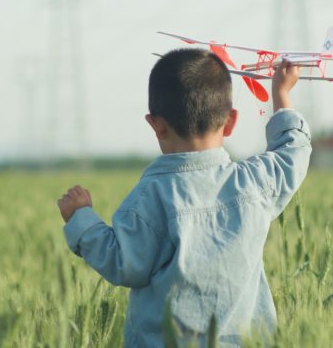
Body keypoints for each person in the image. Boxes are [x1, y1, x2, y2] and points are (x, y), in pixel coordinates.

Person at [57, 48, 312, 347]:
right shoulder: (254, 181)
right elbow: (293, 152)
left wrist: (82, 219)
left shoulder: (150, 197)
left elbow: (123, 262)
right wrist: (281, 95)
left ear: (156, 124)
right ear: (230, 122)